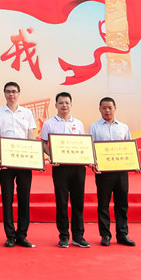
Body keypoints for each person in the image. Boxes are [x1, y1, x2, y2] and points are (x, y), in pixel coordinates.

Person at [0, 81, 39, 248]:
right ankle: (10, 235)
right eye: (8, 91)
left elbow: (30, 135)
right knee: (7, 198)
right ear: (4, 94)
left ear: (19, 93)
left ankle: (22, 235)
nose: (11, 94)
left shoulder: (27, 113)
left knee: (24, 198)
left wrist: (33, 157)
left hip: (24, 161)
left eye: (14, 91)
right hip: (6, 163)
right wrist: (0, 156)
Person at [41, 92, 90, 249]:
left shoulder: (79, 123)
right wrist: (52, 156)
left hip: (78, 168)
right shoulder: (49, 124)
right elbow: (43, 143)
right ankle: (63, 236)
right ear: (56, 105)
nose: (64, 105)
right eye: (61, 103)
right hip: (60, 168)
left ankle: (78, 236)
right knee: (61, 202)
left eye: (67, 103)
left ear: (71, 105)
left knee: (78, 202)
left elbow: (83, 144)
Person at [90, 96, 136, 247]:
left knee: (122, 203)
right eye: (104, 108)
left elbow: (129, 148)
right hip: (103, 172)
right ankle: (105, 235)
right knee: (103, 204)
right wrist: (93, 163)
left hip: (121, 172)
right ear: (99, 109)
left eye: (110, 107)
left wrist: (135, 164)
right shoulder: (94, 127)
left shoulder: (123, 127)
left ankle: (122, 234)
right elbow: (91, 148)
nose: (107, 110)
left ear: (115, 108)